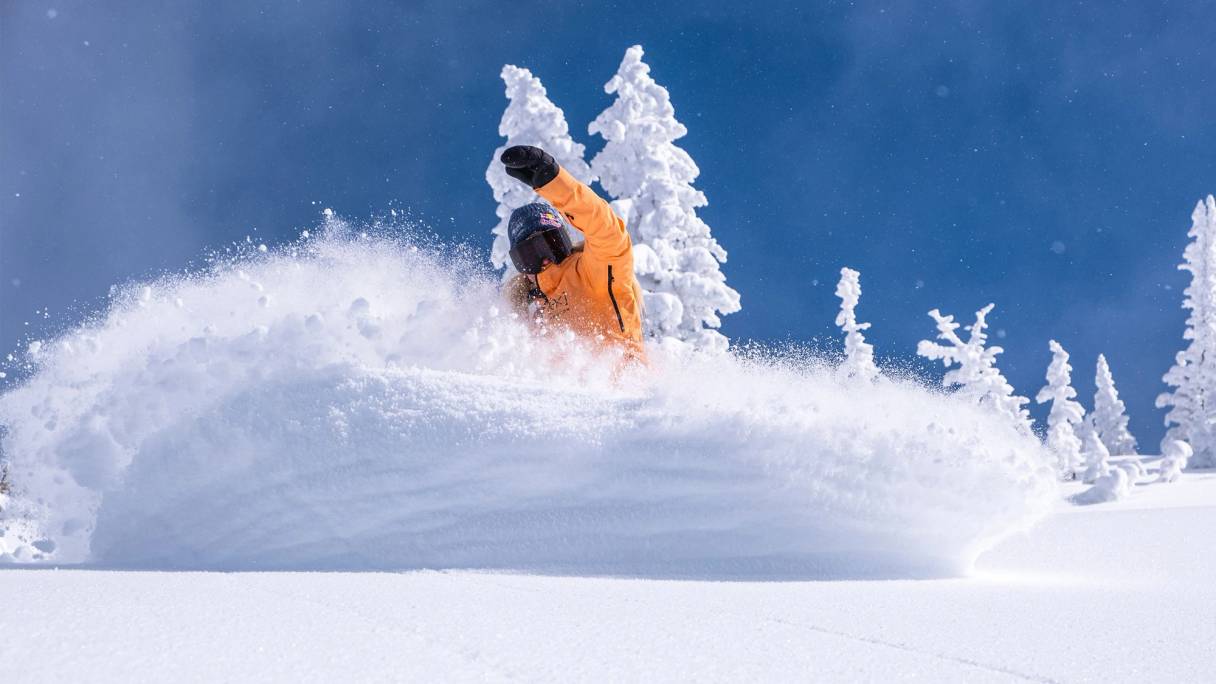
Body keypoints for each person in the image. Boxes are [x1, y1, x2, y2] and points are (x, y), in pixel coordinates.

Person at [499, 145, 645, 361]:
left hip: (623, 389)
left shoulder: (595, 274)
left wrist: (553, 182)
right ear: (520, 264)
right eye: (530, 255)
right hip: (558, 394)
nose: (546, 259)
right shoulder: (524, 313)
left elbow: (607, 230)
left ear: (565, 242)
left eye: (551, 244)